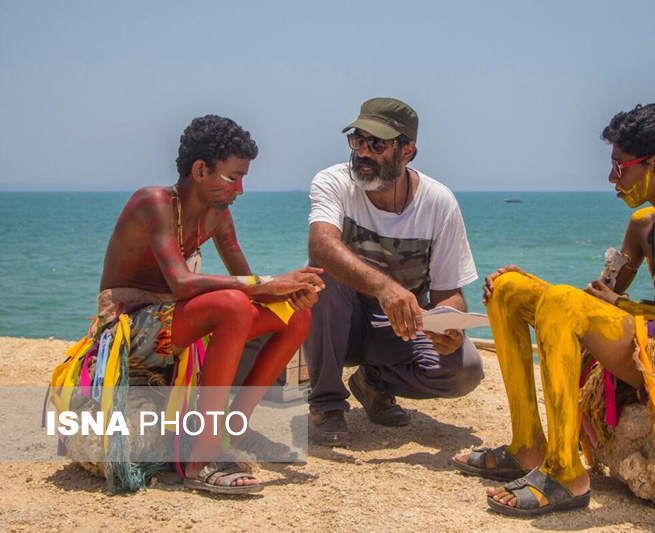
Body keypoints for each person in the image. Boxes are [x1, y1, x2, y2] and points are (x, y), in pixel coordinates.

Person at [452, 102, 655, 517]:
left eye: (620, 166)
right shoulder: (643, 224)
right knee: (508, 289)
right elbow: (597, 300)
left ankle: (566, 473)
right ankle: (527, 447)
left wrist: (621, 304)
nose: (612, 177)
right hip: (643, 341)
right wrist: (535, 285)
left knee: (557, 301)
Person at [48, 115, 324, 494]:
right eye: (232, 177)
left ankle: (233, 428)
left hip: (176, 327)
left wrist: (289, 292)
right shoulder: (154, 202)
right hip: (128, 331)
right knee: (231, 305)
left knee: (296, 316)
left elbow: (255, 289)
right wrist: (265, 284)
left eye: (244, 178)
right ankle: (203, 455)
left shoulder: (218, 216)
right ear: (199, 169)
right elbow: (181, 283)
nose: (240, 189)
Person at [305, 97, 484, 446]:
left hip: (401, 330)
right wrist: (385, 289)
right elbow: (321, 245)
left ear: (408, 151)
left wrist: (450, 323)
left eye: (378, 143)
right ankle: (326, 402)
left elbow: (448, 292)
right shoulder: (333, 181)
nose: (363, 152)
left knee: (464, 371)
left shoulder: (439, 202)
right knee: (323, 274)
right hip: (344, 327)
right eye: (358, 140)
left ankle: (374, 382)